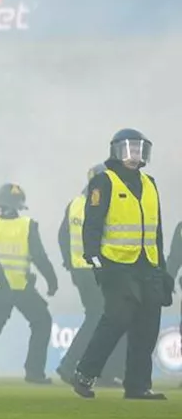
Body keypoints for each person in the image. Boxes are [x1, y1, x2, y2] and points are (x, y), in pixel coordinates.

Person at [71, 129, 172, 400]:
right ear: (116, 151)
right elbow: (92, 223)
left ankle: (138, 386)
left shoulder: (150, 183)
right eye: (128, 149)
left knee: (148, 326)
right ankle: (85, 373)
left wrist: (163, 270)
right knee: (116, 319)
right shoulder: (103, 181)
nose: (134, 155)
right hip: (115, 264)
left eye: (138, 150)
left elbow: (156, 231)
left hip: (148, 266)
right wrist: (94, 258)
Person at [0, 184, 59, 384]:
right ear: (20, 205)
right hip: (21, 288)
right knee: (42, 322)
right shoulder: (28, 225)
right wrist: (51, 280)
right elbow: (39, 256)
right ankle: (34, 372)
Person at [57, 165, 125, 386]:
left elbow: (62, 237)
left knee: (99, 318)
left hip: (82, 271)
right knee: (103, 318)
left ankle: (87, 369)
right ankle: (73, 366)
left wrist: (70, 265)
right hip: (99, 271)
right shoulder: (105, 204)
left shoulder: (74, 204)